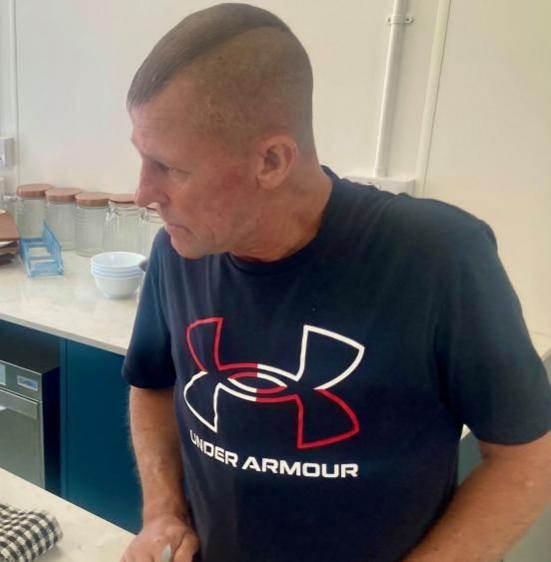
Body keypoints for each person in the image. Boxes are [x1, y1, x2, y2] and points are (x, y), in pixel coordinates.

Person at [120, 4, 551, 561]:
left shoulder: (438, 257)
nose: (142, 192)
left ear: (272, 161)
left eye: (171, 168)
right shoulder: (180, 250)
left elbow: (527, 458)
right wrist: (162, 513)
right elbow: (152, 383)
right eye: (142, 158)